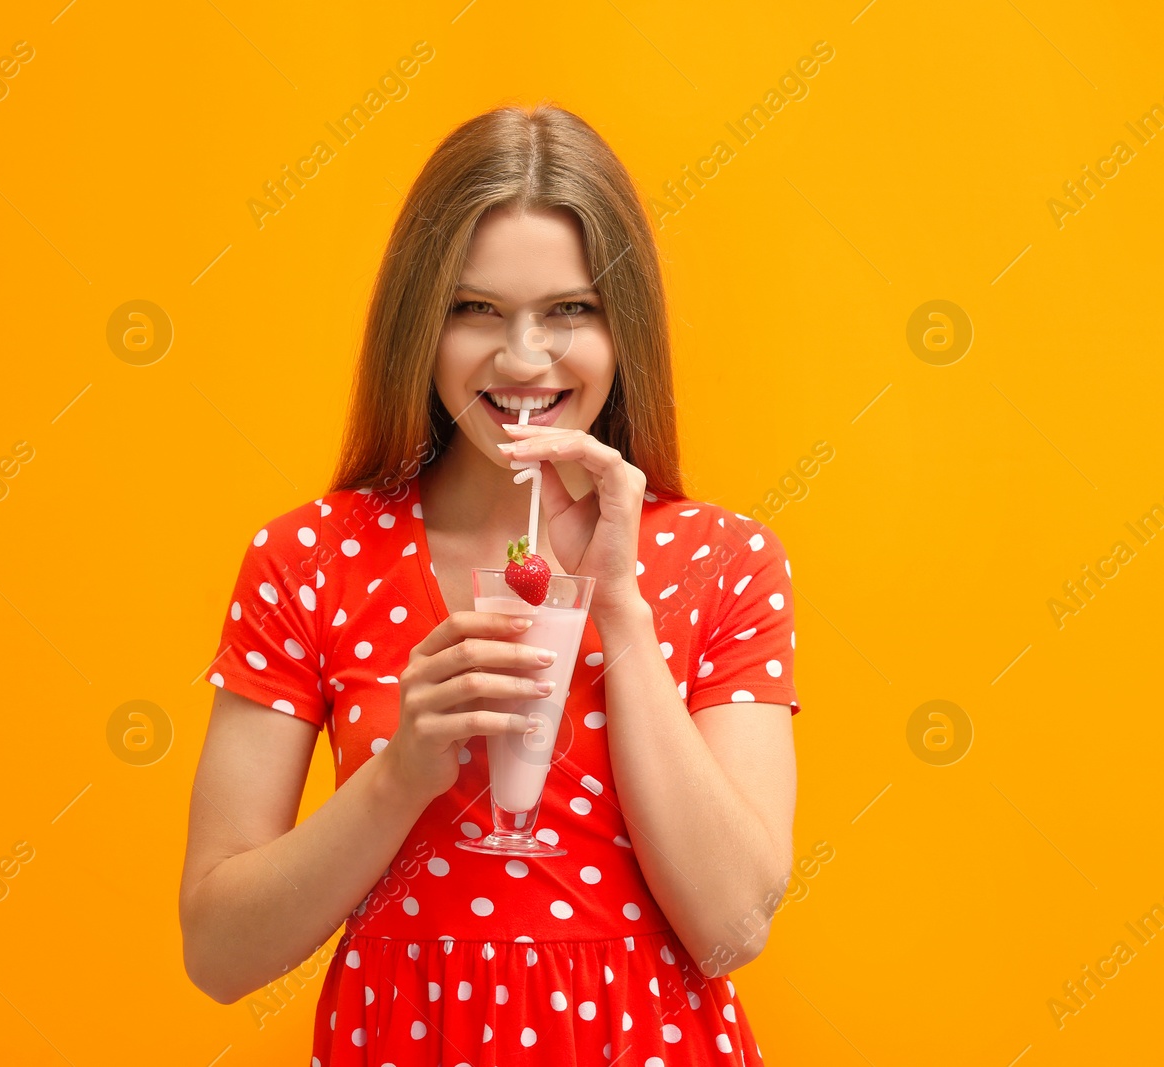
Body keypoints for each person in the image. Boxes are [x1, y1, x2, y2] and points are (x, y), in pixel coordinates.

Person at [179, 103, 801, 1065]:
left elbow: (731, 928)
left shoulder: (726, 560)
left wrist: (622, 612)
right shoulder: (308, 559)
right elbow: (219, 954)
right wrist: (397, 778)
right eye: (475, 310)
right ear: (419, 324)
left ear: (623, 324)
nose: (522, 358)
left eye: (570, 310)